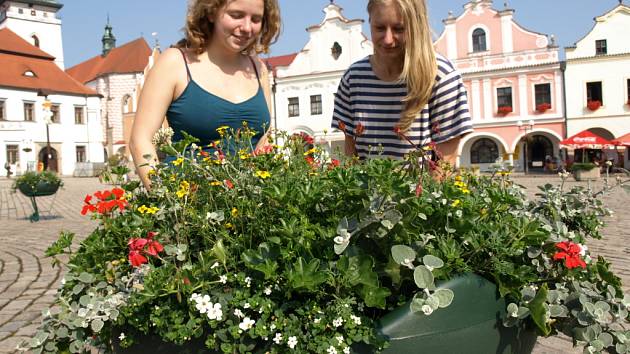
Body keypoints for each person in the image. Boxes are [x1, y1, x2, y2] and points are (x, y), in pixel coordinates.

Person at [130, 0, 281, 189]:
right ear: (211, 12)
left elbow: (263, 137)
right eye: (236, 15)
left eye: (256, 19)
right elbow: (140, 140)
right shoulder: (174, 62)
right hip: (189, 205)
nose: (247, 27)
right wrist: (165, 200)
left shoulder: (258, 69)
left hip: (247, 208)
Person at [332, 0, 472, 165]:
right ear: (369, 21)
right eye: (379, 28)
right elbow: (351, 156)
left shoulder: (441, 75)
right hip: (366, 190)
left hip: (422, 189)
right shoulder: (353, 78)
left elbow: (444, 163)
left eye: (399, 29)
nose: (388, 39)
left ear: (416, 26)